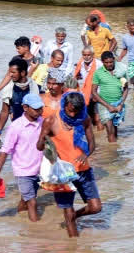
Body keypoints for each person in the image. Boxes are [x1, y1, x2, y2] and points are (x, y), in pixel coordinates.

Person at [37, 92, 101, 238]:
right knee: (68, 209)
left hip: (83, 170)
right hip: (62, 174)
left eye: (75, 111)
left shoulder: (84, 118)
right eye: (70, 110)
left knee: (96, 207)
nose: (72, 115)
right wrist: (45, 141)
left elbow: (92, 143)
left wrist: (86, 154)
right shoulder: (51, 121)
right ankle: (74, 246)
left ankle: (74, 216)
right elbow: (39, 146)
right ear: (65, 105)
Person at [0, 91, 44, 222]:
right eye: (36, 109)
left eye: (41, 108)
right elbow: (4, 151)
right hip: (23, 171)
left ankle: (20, 219)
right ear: (25, 108)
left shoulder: (42, 122)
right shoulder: (16, 127)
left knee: (26, 199)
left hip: (39, 169)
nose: (39, 111)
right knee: (32, 202)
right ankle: (36, 232)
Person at [0, 56, 32, 145]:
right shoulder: (9, 88)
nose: (10, 75)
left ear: (22, 73)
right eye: (9, 72)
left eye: (13, 72)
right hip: (18, 127)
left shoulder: (34, 87)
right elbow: (4, 111)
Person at [91, 51, 128, 143]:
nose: (109, 64)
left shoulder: (120, 71)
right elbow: (94, 92)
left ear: (114, 60)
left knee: (115, 130)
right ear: (102, 62)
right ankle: (112, 154)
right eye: (106, 63)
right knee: (110, 130)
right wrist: (108, 106)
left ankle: (115, 152)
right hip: (104, 104)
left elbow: (126, 89)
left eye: (111, 62)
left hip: (118, 104)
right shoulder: (98, 73)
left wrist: (121, 104)